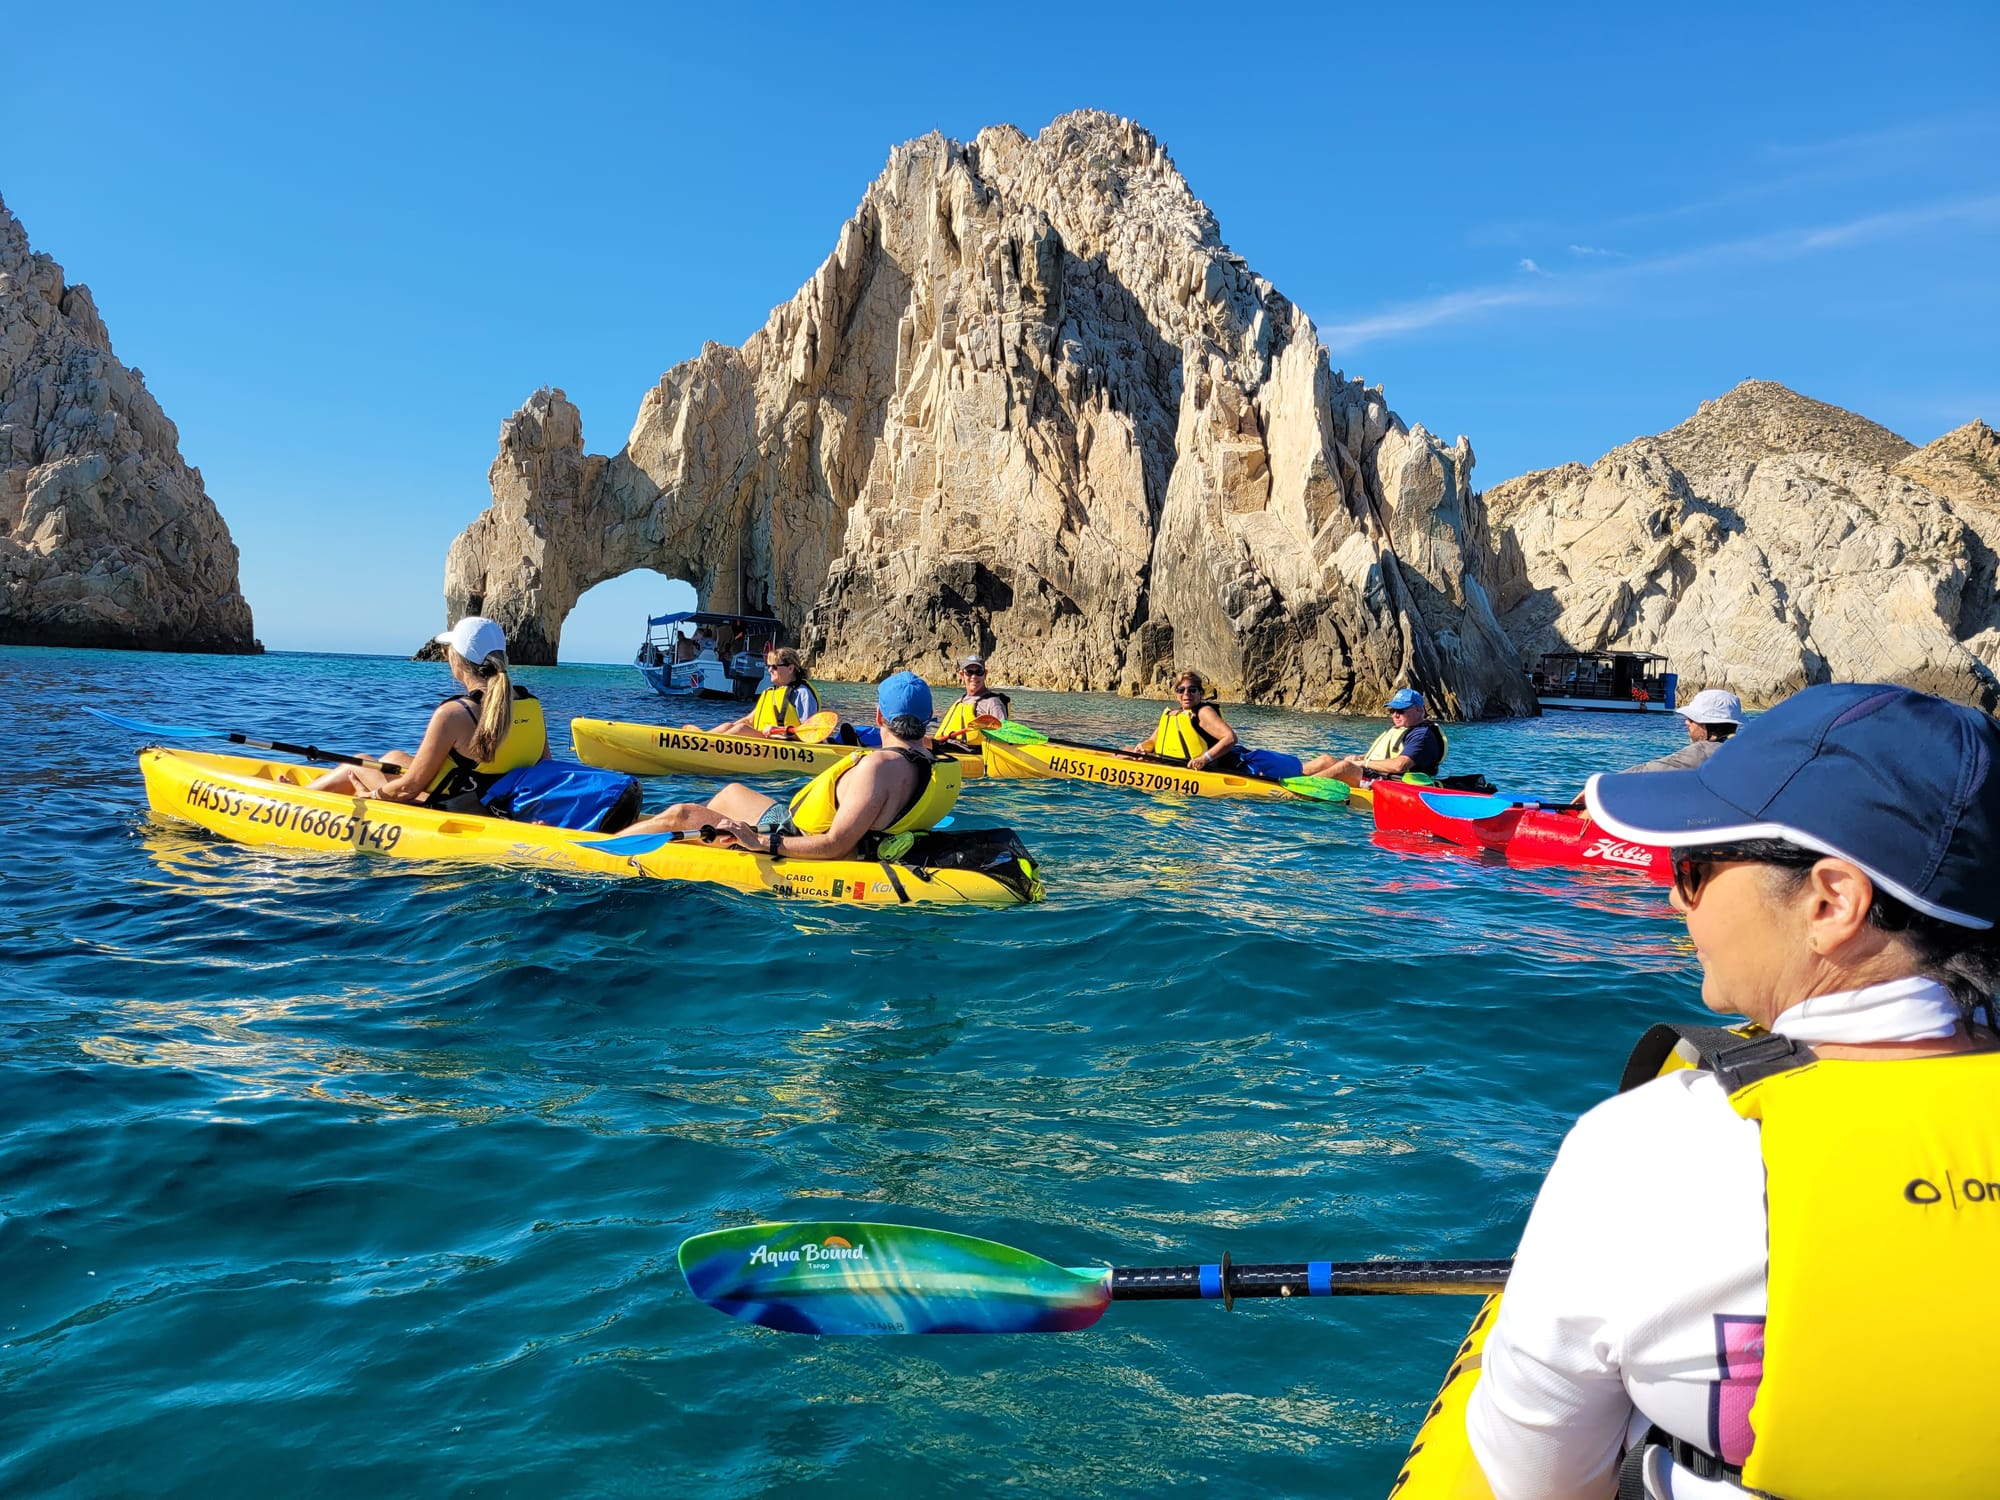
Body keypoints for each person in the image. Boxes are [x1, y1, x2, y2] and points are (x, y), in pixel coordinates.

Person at [1465, 682, 2000, 1499]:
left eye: (1695, 867)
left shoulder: (1648, 1150)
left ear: (1831, 902)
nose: (1674, 895)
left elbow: (1533, 1469)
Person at [622, 672, 960, 860]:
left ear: (880, 717)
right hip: (790, 821)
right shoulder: (939, 764)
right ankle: (692, 843)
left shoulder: (880, 767)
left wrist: (760, 843)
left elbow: (836, 845)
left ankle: (589, 846)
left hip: (791, 837)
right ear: (928, 719)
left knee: (681, 813)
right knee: (732, 792)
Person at [308, 617, 550, 801]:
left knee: (357, 763)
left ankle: (291, 801)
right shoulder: (532, 705)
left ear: (456, 659)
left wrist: (372, 797)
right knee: (393, 757)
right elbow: (544, 770)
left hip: (451, 806)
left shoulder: (454, 714)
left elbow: (409, 788)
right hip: (493, 801)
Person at [1567, 688, 1744, 806]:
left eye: (1692, 719)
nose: (1686, 722)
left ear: (1709, 725)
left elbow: (1651, 770)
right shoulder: (1741, 751)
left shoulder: (1704, 751)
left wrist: (1600, 787)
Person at [1132, 670, 1304, 779]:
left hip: (1237, 766)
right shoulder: (1174, 715)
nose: (1186, 694)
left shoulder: (1203, 712)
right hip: (1179, 765)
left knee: (1302, 773)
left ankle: (1330, 768)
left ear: (1200, 693)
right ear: (1176, 693)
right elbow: (1153, 741)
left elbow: (1230, 738)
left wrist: (1203, 759)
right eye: (1181, 690)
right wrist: (1143, 747)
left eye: (1192, 690)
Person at [1298, 687, 1446, 786]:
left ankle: (1299, 788)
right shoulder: (1406, 729)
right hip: (1376, 775)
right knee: (1326, 760)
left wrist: (1364, 763)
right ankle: (1286, 777)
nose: (1395, 714)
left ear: (1419, 710)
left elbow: (1399, 765)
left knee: (1345, 767)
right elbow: (1390, 756)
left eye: (1401, 710)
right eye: (1393, 710)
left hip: (1394, 784)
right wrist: (1361, 758)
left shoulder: (1422, 736)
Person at [707, 647, 820, 737]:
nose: (769, 670)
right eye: (769, 666)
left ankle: (707, 748)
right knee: (729, 725)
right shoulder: (770, 692)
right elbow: (749, 720)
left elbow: (809, 731)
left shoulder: (802, 693)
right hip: (767, 740)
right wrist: (729, 728)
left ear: (790, 668)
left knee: (740, 729)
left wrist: (779, 730)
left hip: (788, 745)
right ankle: (698, 740)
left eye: (774, 667)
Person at [936, 655, 1010, 745]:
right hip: (947, 747)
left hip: (972, 751)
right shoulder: (960, 701)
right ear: (962, 675)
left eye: (979, 672)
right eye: (969, 672)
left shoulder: (993, 702)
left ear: (985, 674)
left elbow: (1003, 737)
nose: (974, 677)